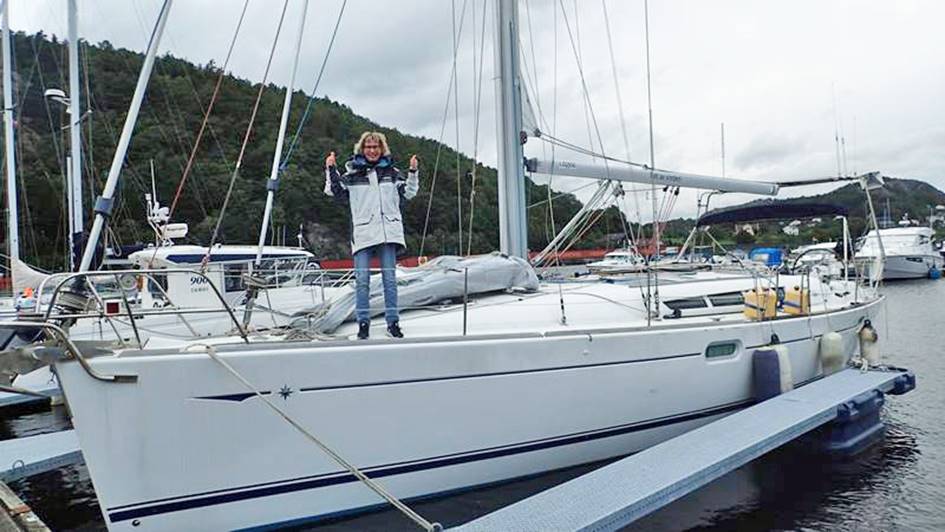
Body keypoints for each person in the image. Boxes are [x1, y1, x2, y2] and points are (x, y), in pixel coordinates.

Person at [324, 131, 419, 339]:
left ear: (382, 149)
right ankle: (363, 324)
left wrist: (413, 171)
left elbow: (409, 193)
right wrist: (330, 168)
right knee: (362, 280)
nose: (372, 150)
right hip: (363, 233)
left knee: (390, 280)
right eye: (368, 147)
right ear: (362, 149)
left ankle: (393, 322)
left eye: (376, 147)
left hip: (388, 233)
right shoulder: (352, 174)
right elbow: (334, 191)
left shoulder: (393, 173)